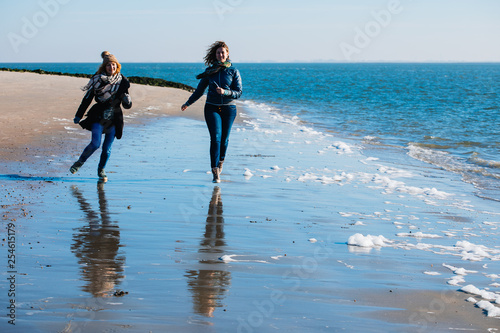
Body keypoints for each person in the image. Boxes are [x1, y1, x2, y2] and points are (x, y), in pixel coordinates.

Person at [181, 41, 242, 183]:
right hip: (211, 107)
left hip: (229, 108)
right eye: (218, 52)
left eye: (223, 52)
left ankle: (221, 161)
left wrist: (225, 92)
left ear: (227, 54)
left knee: (224, 140)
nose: (220, 54)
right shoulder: (209, 72)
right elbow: (199, 91)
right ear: (215, 55)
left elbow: (238, 92)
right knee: (215, 138)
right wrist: (188, 103)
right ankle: (215, 171)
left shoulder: (233, 71)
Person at [70, 51, 132, 182]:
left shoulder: (122, 81)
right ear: (104, 67)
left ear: (117, 66)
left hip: (114, 118)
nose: (112, 68)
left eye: (114, 65)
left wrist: (128, 101)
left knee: (107, 149)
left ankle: (101, 170)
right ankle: (80, 162)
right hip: (98, 115)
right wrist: (78, 115)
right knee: (95, 144)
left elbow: (127, 104)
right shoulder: (97, 80)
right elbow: (87, 99)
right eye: (109, 65)